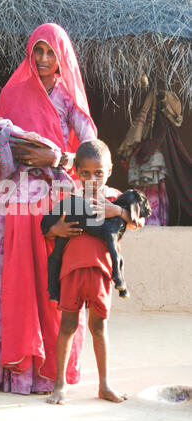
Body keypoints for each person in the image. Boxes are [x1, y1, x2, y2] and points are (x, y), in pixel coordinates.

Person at [0, 23, 100, 395]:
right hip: (8, 194)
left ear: (61, 58)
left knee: (48, 278)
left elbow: (93, 151)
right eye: (37, 51)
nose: (42, 59)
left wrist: (58, 156)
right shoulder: (12, 92)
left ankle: (44, 372)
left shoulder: (69, 101)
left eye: (50, 52)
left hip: (50, 193)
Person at [44, 139, 144, 405]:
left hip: (101, 273)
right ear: (76, 172)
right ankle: (60, 384)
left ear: (109, 171)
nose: (92, 179)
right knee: (68, 326)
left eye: (98, 173)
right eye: (85, 173)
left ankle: (104, 384)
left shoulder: (115, 198)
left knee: (99, 327)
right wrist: (56, 231)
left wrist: (118, 211)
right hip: (72, 271)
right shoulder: (71, 201)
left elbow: (139, 221)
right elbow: (46, 225)